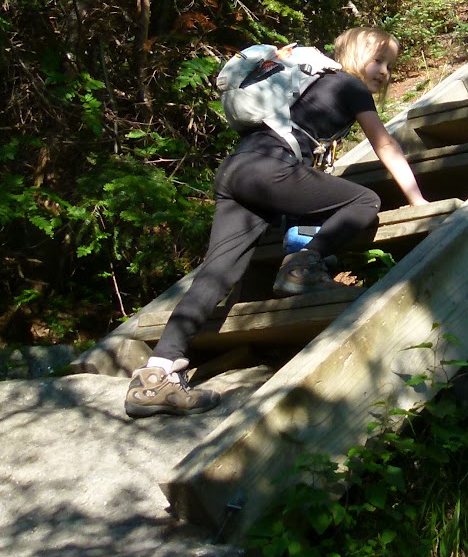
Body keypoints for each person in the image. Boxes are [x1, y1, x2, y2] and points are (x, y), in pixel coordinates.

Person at [124, 26, 428, 418]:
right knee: (364, 198)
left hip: (236, 170)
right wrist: (416, 199)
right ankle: (304, 265)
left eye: (390, 64)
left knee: (217, 273)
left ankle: (157, 374)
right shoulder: (349, 86)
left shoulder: (309, 85)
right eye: (378, 60)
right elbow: (383, 142)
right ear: (354, 54)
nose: (384, 71)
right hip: (270, 170)